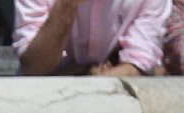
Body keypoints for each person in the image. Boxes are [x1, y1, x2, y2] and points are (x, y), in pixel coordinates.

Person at [15, 0, 169, 73]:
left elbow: (138, 65)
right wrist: (67, 5)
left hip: (115, 102)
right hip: (42, 99)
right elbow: (33, 67)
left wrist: (92, 82)